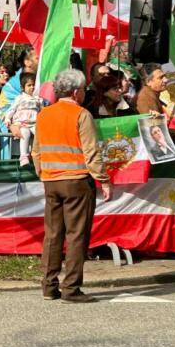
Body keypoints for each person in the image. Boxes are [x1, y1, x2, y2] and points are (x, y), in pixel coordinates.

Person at [32, 69, 110, 303]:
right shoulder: (81, 114)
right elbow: (91, 152)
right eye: (84, 90)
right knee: (77, 235)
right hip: (76, 181)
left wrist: (43, 173)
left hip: (51, 181)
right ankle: (71, 288)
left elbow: (36, 151)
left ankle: (49, 286)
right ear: (76, 92)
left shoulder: (44, 115)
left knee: (53, 234)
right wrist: (103, 179)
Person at [4, 73, 44, 167]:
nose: (32, 87)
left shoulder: (38, 99)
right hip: (22, 124)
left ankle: (38, 155)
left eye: (33, 85)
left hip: (34, 123)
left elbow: (42, 112)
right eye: (29, 85)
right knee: (25, 134)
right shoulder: (20, 98)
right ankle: (23, 156)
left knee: (40, 134)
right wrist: (8, 119)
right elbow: (12, 109)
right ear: (23, 87)